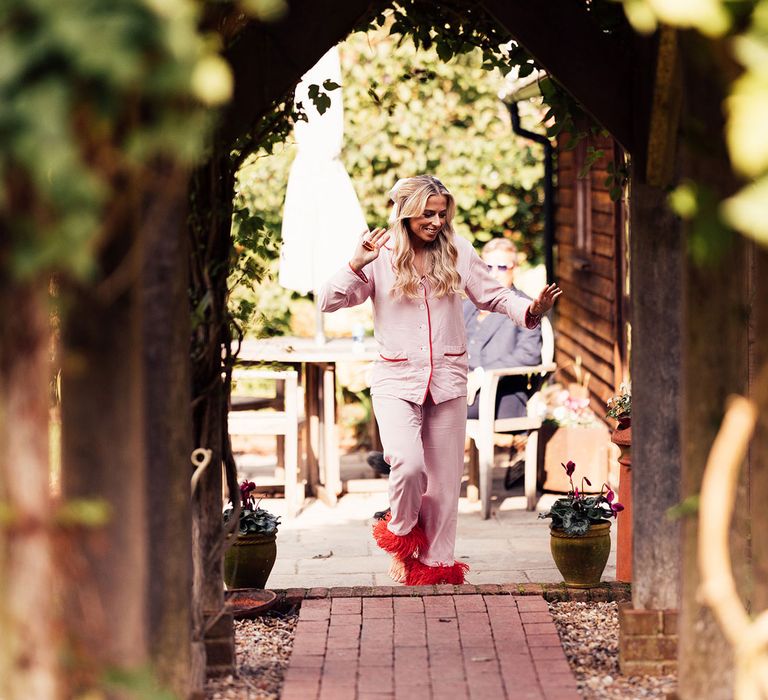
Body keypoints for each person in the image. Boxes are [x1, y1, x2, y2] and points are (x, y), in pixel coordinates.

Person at [318, 175, 561, 586]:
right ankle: (400, 531)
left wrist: (530, 310)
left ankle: (434, 569)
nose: (435, 221)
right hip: (396, 379)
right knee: (408, 465)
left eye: (441, 213)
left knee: (445, 486)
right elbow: (327, 301)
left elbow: (495, 296)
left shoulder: (458, 250)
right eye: (426, 214)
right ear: (405, 212)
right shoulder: (379, 254)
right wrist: (355, 263)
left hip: (449, 380)